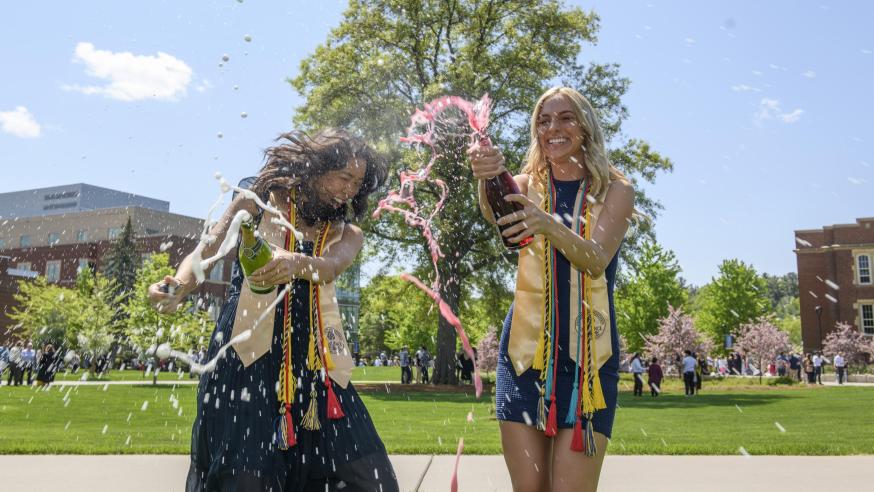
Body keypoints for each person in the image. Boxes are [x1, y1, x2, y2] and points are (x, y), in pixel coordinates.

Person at [149, 128, 398, 492]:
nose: (350, 189)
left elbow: (329, 268)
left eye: (357, 183)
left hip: (317, 367)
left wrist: (296, 262)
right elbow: (207, 249)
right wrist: (178, 287)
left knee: (370, 477)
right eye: (344, 177)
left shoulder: (348, 233)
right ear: (316, 167)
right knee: (247, 478)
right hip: (246, 357)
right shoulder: (257, 200)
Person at [471, 86, 634, 491]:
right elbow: (494, 212)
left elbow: (595, 259)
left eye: (565, 118)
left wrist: (547, 224)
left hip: (588, 364)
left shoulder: (616, 190)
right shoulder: (525, 185)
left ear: (586, 127)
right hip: (524, 356)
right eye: (543, 120)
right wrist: (486, 175)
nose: (553, 128)